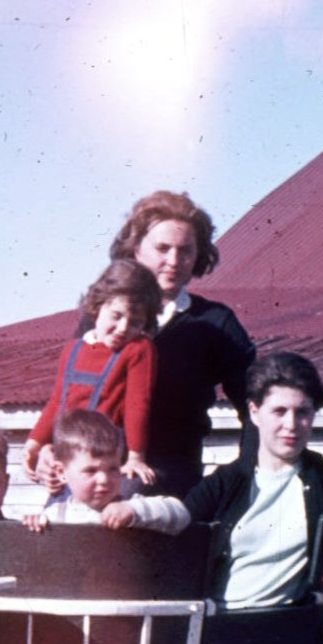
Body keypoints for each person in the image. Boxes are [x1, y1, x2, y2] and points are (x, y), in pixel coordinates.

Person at [110, 352, 323, 606]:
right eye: (279, 411)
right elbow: (181, 518)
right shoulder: (227, 481)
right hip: (218, 629)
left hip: (292, 636)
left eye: (302, 412)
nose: (291, 425)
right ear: (254, 412)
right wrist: (135, 511)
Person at [106, 191, 256, 496]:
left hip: (170, 479)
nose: (174, 261)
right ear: (135, 249)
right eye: (162, 248)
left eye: (185, 250)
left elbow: (257, 408)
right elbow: (71, 396)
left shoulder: (216, 323)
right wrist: (49, 452)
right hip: (97, 471)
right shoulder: (102, 316)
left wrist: (245, 472)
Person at [22, 261, 158, 491]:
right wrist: (33, 445)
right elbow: (57, 402)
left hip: (104, 459)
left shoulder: (137, 348)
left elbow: (138, 404)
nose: (124, 327)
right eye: (116, 315)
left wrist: (136, 457)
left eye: (135, 322)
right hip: (67, 454)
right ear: (97, 306)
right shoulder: (73, 349)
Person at [23, 409, 140, 530]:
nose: (104, 479)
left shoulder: (131, 507)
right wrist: (35, 524)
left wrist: (133, 510)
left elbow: (161, 508)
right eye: (91, 470)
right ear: (61, 472)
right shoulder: (55, 516)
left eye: (113, 469)